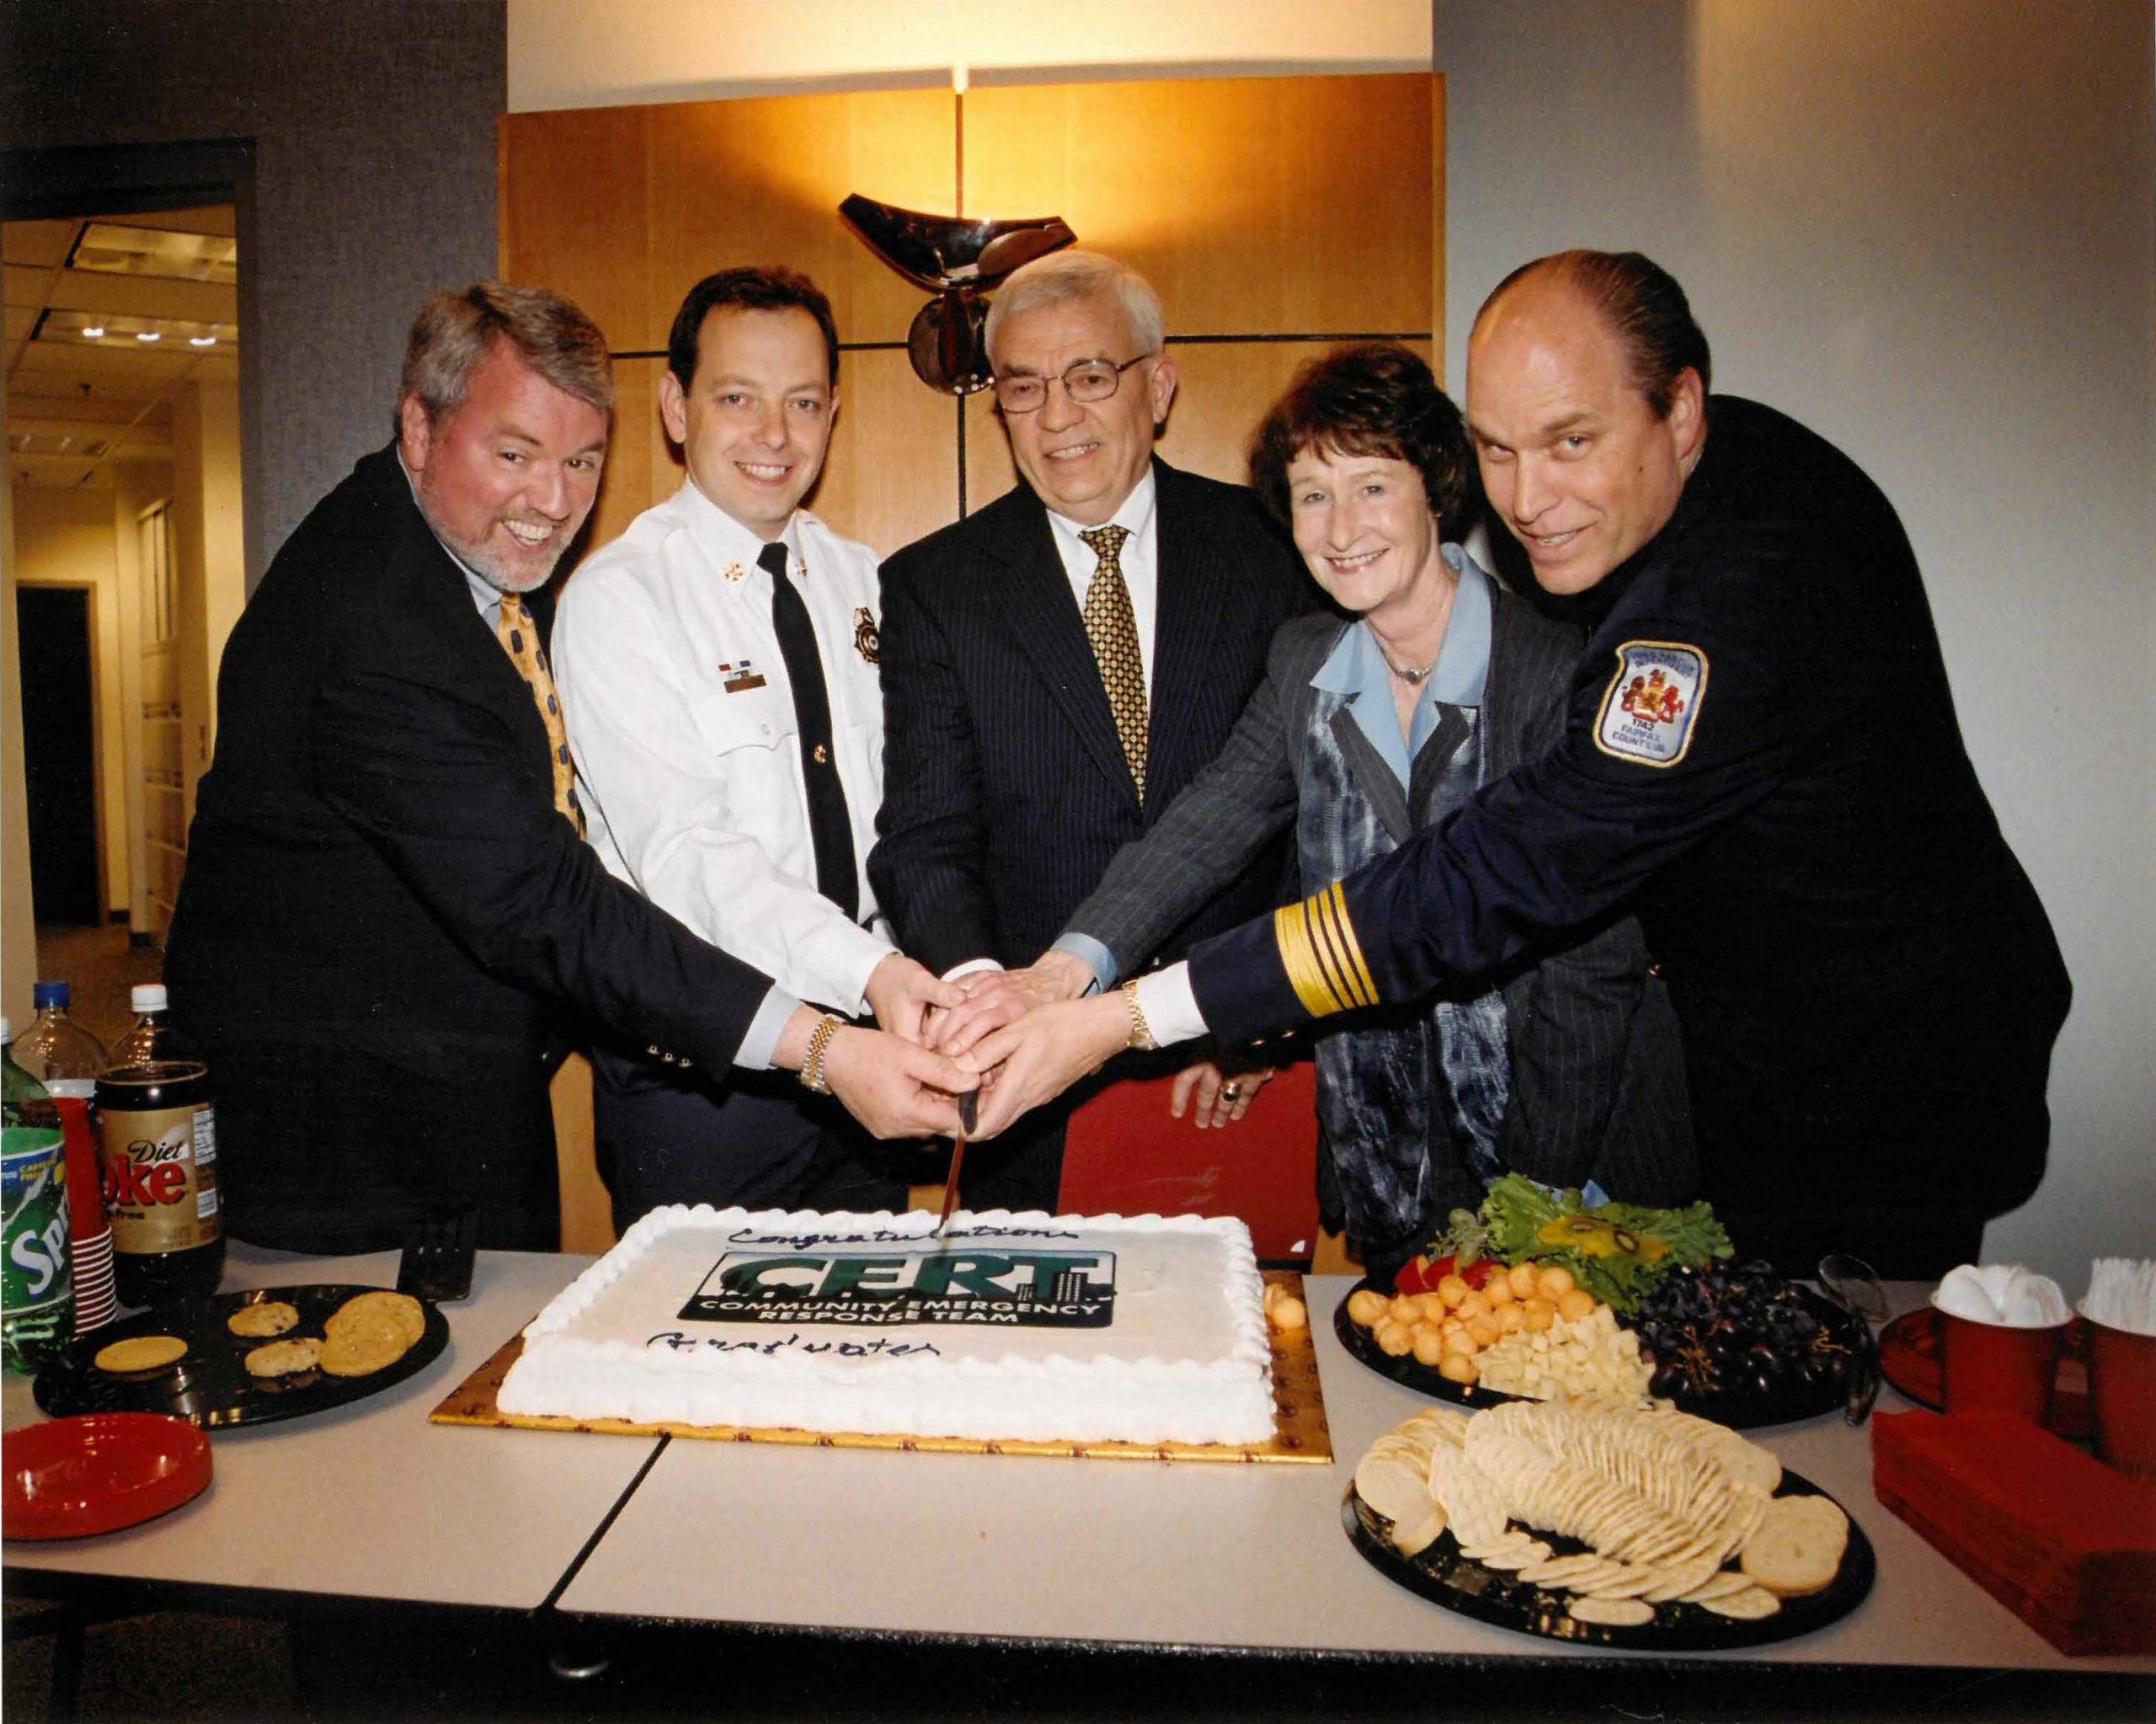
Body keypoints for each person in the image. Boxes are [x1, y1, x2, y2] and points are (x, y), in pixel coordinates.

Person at [963, 250, 2069, 1278]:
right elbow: (1212, 818)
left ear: (1679, 409)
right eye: (1499, 447)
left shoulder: (1727, 597)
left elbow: (1502, 879)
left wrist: (1124, 1019)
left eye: (1570, 442)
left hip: (1883, 1073)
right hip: (1725, 1057)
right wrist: (1065, 973)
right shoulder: (1681, 489)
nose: (1528, 502)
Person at [165, 281, 973, 1256]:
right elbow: (549, 899)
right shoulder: (373, 622)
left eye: (582, 460)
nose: (552, 501)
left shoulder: (475, 568)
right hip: (350, 1144)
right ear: (418, 427)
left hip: (473, 1089)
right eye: (514, 455)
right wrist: (827, 1043)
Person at [940, 344, 1690, 1276]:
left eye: (1372, 488)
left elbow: (1591, 972)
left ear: (1435, 489)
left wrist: (1526, 1215)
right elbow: (1204, 826)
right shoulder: (1306, 663)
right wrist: (1062, 973)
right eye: (1311, 495)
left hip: (1572, 1166)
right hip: (1394, 1160)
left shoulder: (1555, 671)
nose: (1341, 530)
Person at [869, 249, 1314, 1211]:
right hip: (1028, 1088)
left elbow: (1310, 813)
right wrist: (991, 1004)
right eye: (1024, 388)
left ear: (1158, 387)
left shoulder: (1276, 547)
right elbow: (924, 838)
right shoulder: (936, 586)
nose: (1058, 417)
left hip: (1226, 1067)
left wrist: (1261, 1024)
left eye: (1089, 377)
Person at [552, 267, 953, 1230]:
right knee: (696, 1363)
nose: (774, 436)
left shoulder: (868, 584)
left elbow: (914, 818)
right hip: (706, 1083)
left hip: (867, 1062)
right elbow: (687, 855)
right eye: (738, 398)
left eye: (802, 403)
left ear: (833, 413)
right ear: (674, 407)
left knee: (868, 1349)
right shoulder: (620, 599)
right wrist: (871, 972)